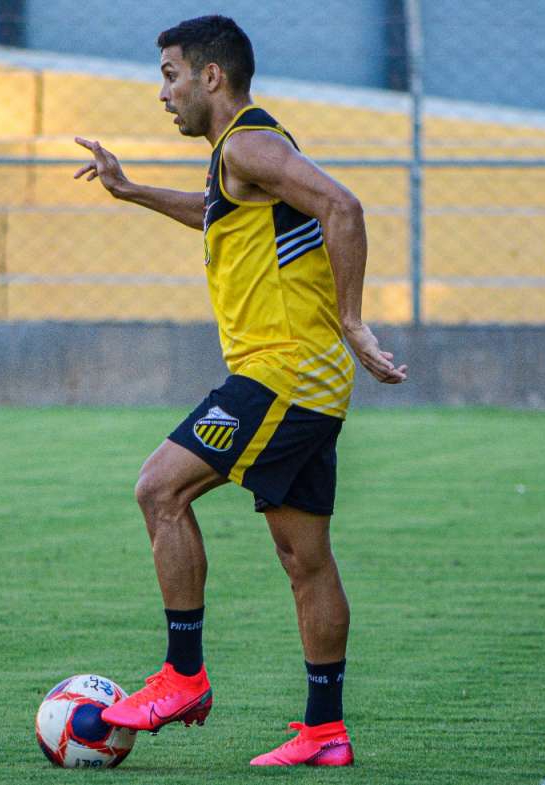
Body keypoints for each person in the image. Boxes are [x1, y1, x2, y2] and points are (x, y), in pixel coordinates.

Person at [73, 14, 407, 768]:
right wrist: (131, 191)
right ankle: (325, 731)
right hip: (310, 381)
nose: (163, 93)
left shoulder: (248, 145)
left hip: (280, 373)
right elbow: (219, 214)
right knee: (304, 557)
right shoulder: (243, 155)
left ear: (211, 76)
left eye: (170, 76)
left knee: (160, 490)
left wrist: (353, 319)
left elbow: (344, 207)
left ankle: (182, 677)